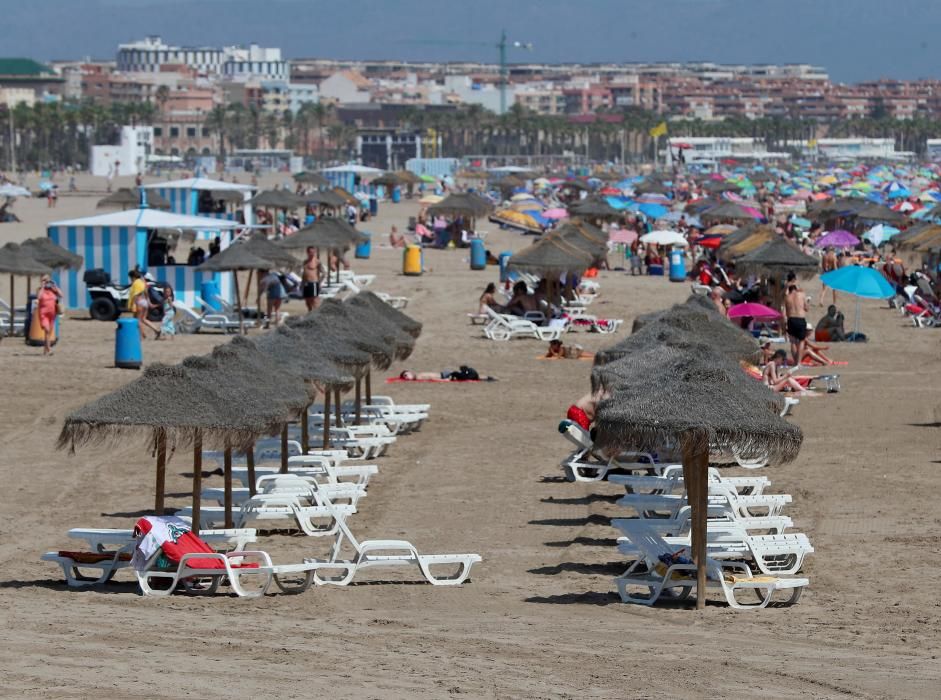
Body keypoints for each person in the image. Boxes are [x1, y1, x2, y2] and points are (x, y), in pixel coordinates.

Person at [783, 276, 809, 366]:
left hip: (791, 319)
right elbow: (806, 308)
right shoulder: (802, 294)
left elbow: (786, 312)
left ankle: (795, 361)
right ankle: (798, 363)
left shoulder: (787, 297)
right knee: (801, 341)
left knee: (793, 341)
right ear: (796, 288)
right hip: (800, 318)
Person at [128, 270, 160, 340]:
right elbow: (146, 293)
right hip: (145, 302)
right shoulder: (143, 282)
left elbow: (135, 295)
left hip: (139, 302)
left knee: (137, 320)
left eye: (130, 278)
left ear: (133, 277)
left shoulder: (135, 283)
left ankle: (142, 335)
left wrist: (132, 305)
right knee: (144, 319)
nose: (130, 279)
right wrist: (149, 303)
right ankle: (157, 330)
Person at [36, 275, 62, 356]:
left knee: (48, 333)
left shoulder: (53, 290)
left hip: (52, 314)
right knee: (47, 330)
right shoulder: (40, 290)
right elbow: (39, 297)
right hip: (43, 314)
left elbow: (61, 295)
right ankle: (49, 350)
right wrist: (43, 287)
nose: (46, 282)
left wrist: (55, 286)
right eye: (44, 280)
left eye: (47, 280)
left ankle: (45, 350)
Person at [302, 247, 321, 311]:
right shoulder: (305, 262)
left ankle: (316, 315)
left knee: (315, 300)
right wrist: (302, 283)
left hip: (314, 283)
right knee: (307, 301)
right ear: (307, 252)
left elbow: (323, 273)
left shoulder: (317, 261)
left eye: (313, 252)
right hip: (306, 283)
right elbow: (304, 274)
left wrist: (319, 282)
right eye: (310, 252)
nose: (312, 254)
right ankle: (310, 314)